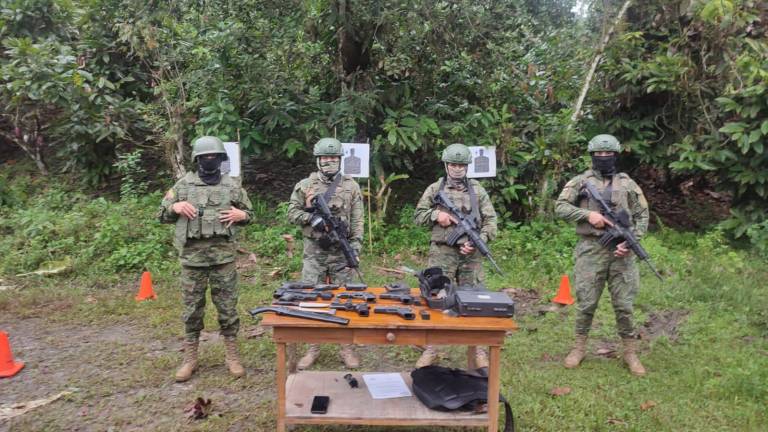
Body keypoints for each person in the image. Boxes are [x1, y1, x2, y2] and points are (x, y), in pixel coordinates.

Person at [158, 136, 253, 382]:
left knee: (228, 309)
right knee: (192, 311)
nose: (209, 161)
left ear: (221, 160)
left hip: (223, 259)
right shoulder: (183, 186)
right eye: (204, 157)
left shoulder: (232, 186)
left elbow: (250, 214)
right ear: (197, 160)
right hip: (192, 260)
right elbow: (162, 213)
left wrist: (242, 214)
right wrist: (174, 208)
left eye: (214, 157)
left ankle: (231, 356)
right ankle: (190, 358)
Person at [554, 134, 649, 376]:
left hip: (622, 253)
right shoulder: (580, 182)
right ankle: (579, 347)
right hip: (591, 250)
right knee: (586, 302)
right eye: (599, 154)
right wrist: (588, 216)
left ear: (615, 156)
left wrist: (629, 242)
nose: (603, 158)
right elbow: (560, 207)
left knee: (624, 305)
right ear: (592, 156)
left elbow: (642, 216)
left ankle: (629, 351)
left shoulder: (627, 184)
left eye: (608, 154)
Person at [413, 143, 498, 369]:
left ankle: (478, 349)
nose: (457, 169)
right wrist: (436, 215)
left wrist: (479, 241)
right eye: (453, 164)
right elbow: (418, 215)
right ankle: (433, 349)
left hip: (470, 256)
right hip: (442, 253)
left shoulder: (478, 191)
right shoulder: (434, 189)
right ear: (446, 165)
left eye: (461, 165)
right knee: (439, 298)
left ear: (467, 166)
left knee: (475, 300)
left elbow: (491, 221)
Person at [287, 137, 364, 369]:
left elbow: (358, 220)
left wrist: (356, 248)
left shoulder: (351, 186)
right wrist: (311, 216)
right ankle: (313, 347)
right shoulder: (305, 186)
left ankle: (346, 347)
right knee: (311, 298)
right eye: (325, 158)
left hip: (341, 251)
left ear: (340, 160)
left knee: (345, 297)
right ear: (318, 160)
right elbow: (291, 213)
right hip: (314, 252)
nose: (329, 162)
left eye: (333, 158)